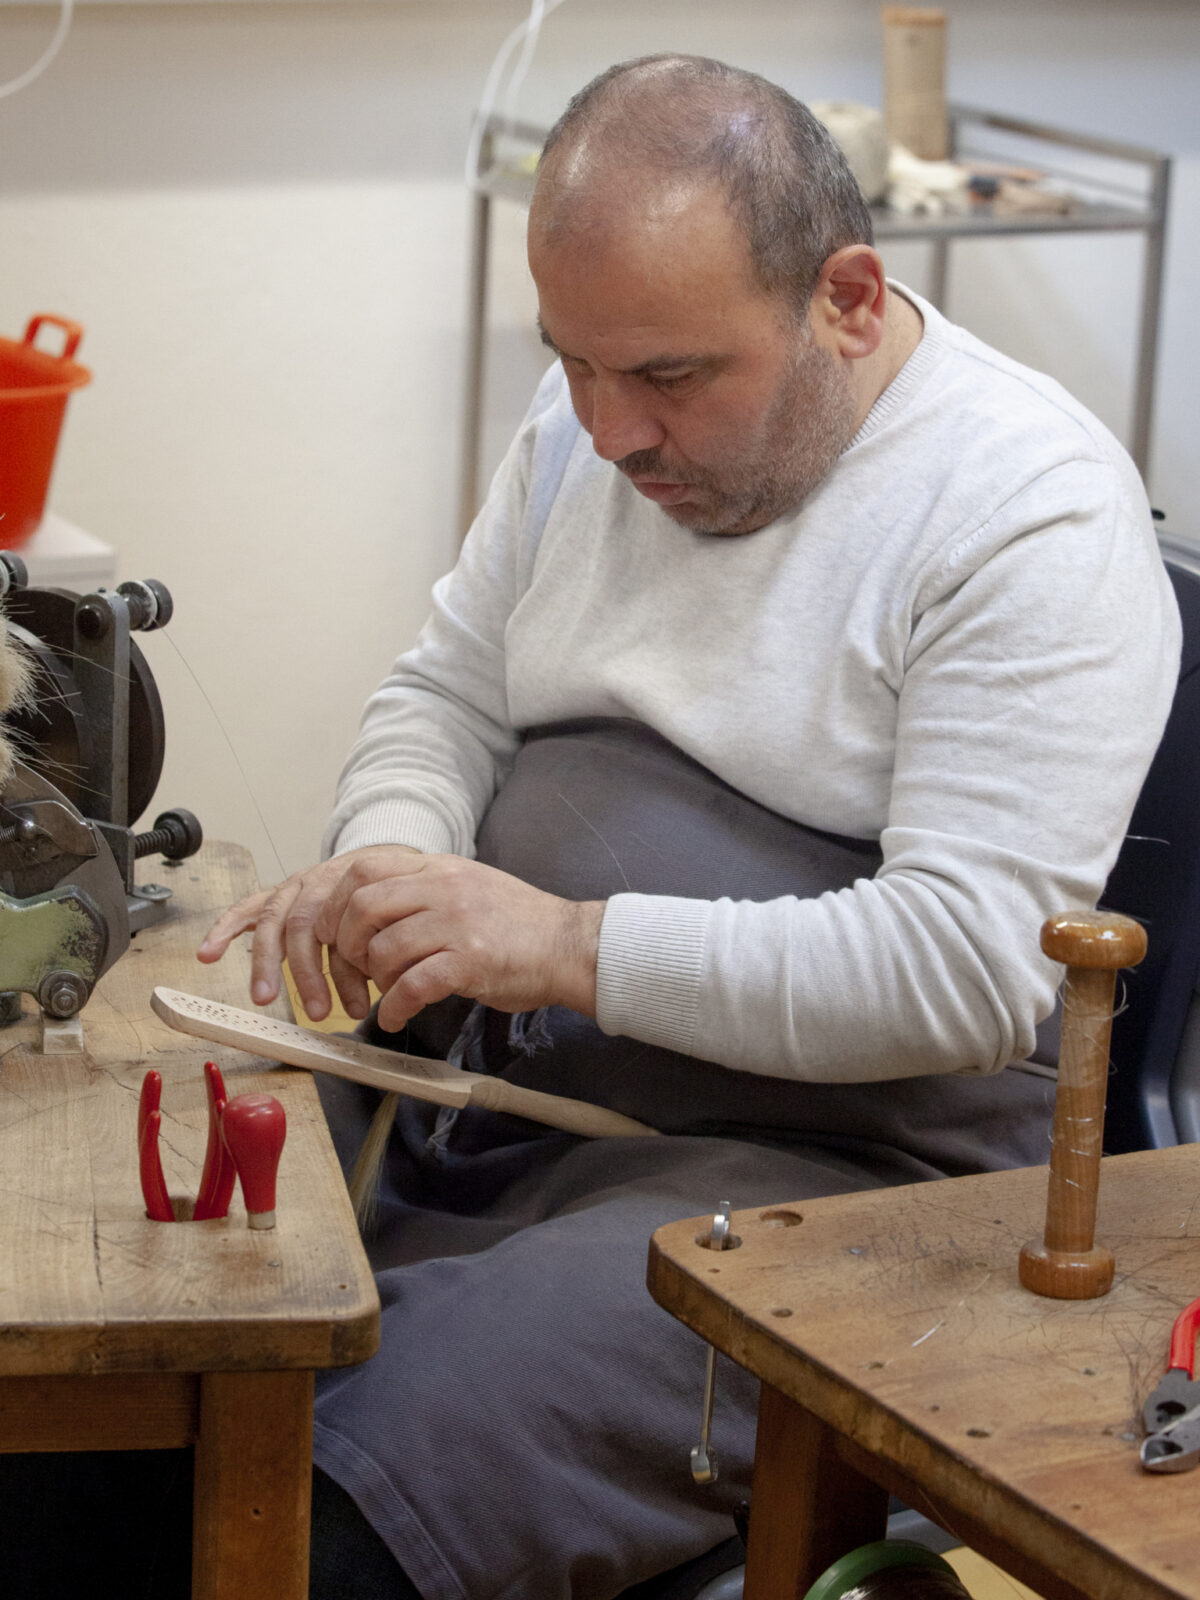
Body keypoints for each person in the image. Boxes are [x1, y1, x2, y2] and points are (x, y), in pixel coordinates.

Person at [201, 54, 1180, 1600]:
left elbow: (970, 972)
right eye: (574, 365)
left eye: (667, 378)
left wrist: (564, 943)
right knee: (166, 1342)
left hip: (824, 1189)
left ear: (847, 299)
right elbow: (448, 687)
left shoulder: (1029, 513)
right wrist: (389, 857)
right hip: (511, 1089)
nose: (608, 430)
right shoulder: (592, 409)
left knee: (371, 1461)